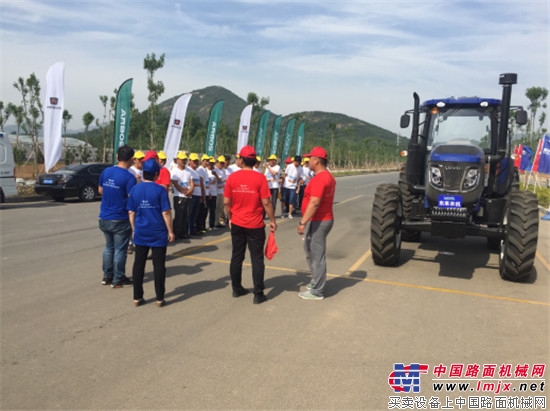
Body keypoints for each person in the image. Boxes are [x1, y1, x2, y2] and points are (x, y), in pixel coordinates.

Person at [224, 145, 277, 304]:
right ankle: (258, 293)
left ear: (241, 160)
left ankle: (236, 288)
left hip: (238, 222)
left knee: (237, 256)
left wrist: (231, 217)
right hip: (255, 224)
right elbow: (266, 202)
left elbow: (227, 202)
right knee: (257, 258)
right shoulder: (260, 177)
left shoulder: (232, 178)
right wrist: (272, 220)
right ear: (254, 161)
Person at [127, 159, 175, 307]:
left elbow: (131, 212)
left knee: (139, 264)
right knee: (159, 265)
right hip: (158, 233)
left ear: (143, 174)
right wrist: (170, 231)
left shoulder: (136, 189)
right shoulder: (160, 190)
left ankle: (137, 297)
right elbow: (166, 212)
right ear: (156, 174)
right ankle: (160, 298)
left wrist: (134, 229)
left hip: (141, 232)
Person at [296, 147, 336, 300]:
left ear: (317, 161)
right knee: (309, 249)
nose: (308, 161)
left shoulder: (321, 178)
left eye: (310, 158)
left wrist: (302, 222)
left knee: (317, 254)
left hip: (320, 220)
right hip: (319, 220)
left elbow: (314, 202)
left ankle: (317, 290)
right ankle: (316, 281)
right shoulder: (328, 177)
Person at [98, 144, 137, 288]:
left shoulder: (106, 172)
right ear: (131, 159)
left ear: (117, 157)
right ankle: (118, 278)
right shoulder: (129, 177)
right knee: (120, 249)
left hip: (104, 216)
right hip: (119, 217)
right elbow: (131, 198)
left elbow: (100, 190)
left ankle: (107, 275)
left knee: (109, 247)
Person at [170, 151, 194, 240]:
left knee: (186, 215)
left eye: (185, 160)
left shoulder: (188, 171)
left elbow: (192, 182)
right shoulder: (175, 171)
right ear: (178, 160)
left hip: (188, 196)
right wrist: (184, 191)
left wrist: (191, 190)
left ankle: (184, 232)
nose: (183, 161)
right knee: (179, 215)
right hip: (179, 196)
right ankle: (176, 232)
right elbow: (175, 183)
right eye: (182, 160)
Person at [187, 153, 202, 235]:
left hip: (197, 194)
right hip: (192, 195)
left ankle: (193, 229)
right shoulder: (188, 170)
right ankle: (189, 230)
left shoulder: (196, 171)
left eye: (197, 161)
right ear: (190, 161)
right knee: (190, 213)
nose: (196, 163)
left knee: (195, 213)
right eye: (194, 161)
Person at [213, 155, 228, 227]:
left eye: (223, 163)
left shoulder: (223, 170)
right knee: (216, 207)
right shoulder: (214, 170)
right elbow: (219, 180)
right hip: (216, 192)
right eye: (220, 163)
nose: (221, 164)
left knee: (220, 208)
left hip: (222, 191)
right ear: (217, 162)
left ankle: (218, 221)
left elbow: (225, 180)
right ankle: (215, 222)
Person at [206, 157, 218, 230]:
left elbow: (219, 180)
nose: (211, 165)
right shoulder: (205, 171)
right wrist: (208, 192)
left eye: (213, 163)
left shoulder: (216, 170)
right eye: (210, 163)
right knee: (205, 210)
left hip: (214, 193)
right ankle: (203, 225)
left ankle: (212, 225)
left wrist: (216, 175)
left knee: (213, 210)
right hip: (208, 193)